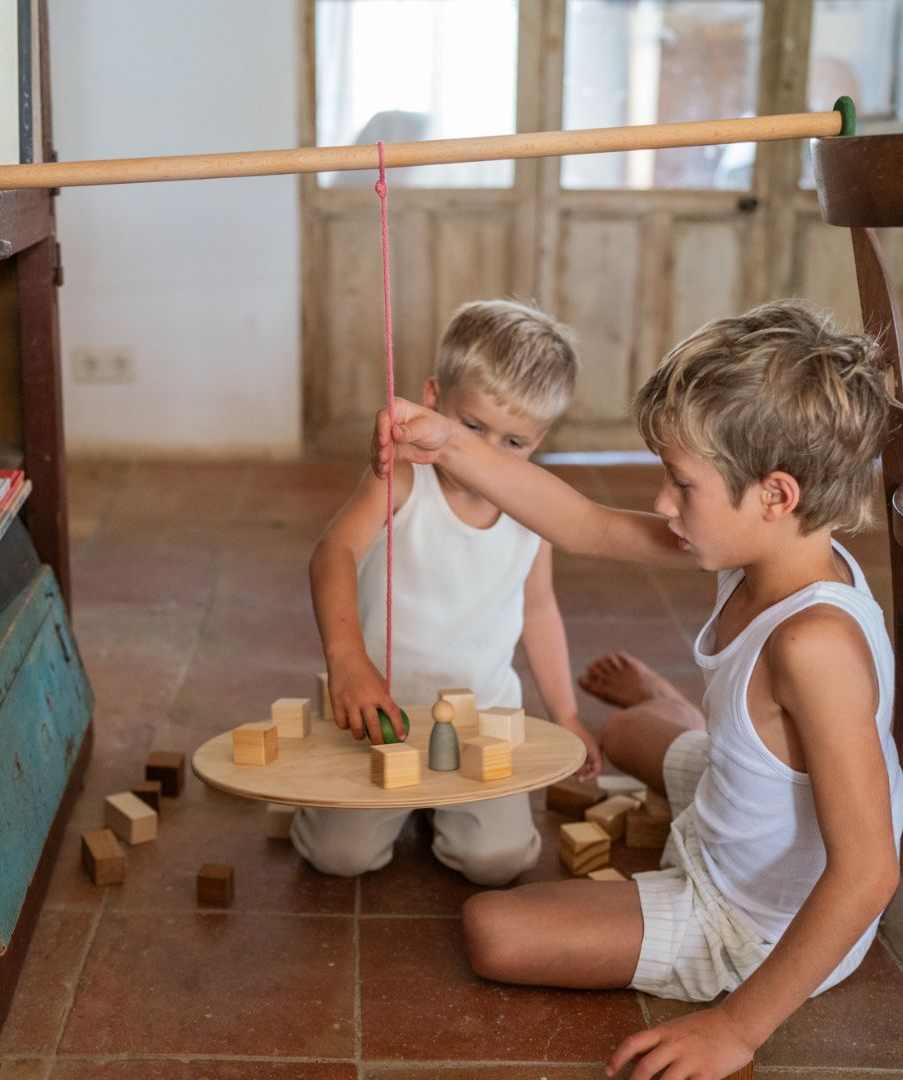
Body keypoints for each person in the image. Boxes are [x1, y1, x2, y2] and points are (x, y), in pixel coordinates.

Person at [372, 299, 903, 1078]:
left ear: (776, 494)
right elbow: (583, 524)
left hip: (755, 921)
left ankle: (703, 739)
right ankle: (704, 729)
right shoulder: (765, 546)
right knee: (619, 736)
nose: (661, 502)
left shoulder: (815, 645)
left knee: (493, 928)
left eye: (680, 483)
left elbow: (870, 870)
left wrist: (736, 1029)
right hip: (739, 811)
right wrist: (447, 441)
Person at [291, 298, 601, 888]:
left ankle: (436, 807)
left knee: (501, 862)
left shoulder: (536, 509)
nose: (485, 453)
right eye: (473, 427)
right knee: (340, 858)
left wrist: (566, 715)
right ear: (433, 401)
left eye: (514, 442)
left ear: (541, 438)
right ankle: (338, 800)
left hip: (480, 719)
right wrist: (348, 661)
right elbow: (332, 553)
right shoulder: (402, 478)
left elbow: (539, 610)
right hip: (378, 715)